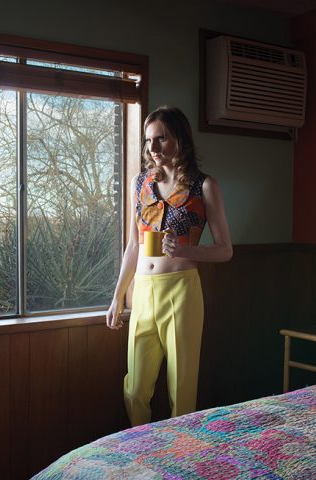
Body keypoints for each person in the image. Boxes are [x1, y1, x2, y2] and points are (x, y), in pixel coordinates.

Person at [106, 106, 233, 427]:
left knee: (182, 388)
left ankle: (178, 456)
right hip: (144, 293)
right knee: (135, 389)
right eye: (149, 140)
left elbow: (225, 251)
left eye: (161, 139)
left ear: (180, 138)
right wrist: (118, 296)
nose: (153, 148)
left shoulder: (204, 187)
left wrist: (187, 249)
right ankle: (142, 447)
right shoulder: (139, 184)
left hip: (182, 290)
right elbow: (133, 245)